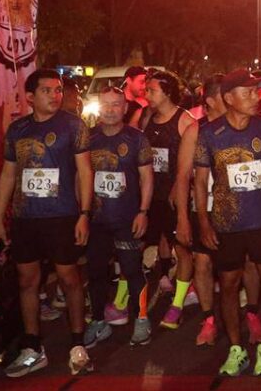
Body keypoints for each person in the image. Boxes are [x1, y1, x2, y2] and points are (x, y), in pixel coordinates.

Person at [194, 68, 261, 377]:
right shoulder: (209, 134)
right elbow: (201, 181)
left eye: (257, 91)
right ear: (228, 98)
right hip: (227, 223)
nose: (257, 97)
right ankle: (235, 347)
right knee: (228, 285)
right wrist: (203, 220)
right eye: (249, 93)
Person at [0, 69, 94, 377]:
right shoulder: (18, 129)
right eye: (47, 90)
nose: (55, 95)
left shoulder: (72, 126)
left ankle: (78, 345)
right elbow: (9, 174)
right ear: (29, 97)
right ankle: (33, 347)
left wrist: (84, 214)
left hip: (62, 215)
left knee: (69, 279)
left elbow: (86, 172)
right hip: (26, 218)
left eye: (58, 90)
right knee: (27, 282)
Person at [83, 87, 154, 347]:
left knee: (132, 270)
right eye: (106, 104)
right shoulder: (88, 138)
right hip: (97, 219)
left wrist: (143, 211)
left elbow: (147, 176)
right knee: (97, 271)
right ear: (99, 107)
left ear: (125, 108)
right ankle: (99, 321)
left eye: (116, 105)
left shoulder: (137, 139)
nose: (110, 110)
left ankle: (142, 318)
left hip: (127, 217)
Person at [140, 70, 199, 331]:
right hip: (152, 194)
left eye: (151, 90)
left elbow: (193, 166)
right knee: (154, 242)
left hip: (175, 197)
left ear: (166, 92)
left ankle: (178, 303)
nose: (147, 95)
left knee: (183, 248)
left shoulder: (184, 121)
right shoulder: (147, 117)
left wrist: (180, 188)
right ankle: (161, 280)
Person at [174, 73, 226, 346]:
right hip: (203, 207)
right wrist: (183, 217)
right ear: (212, 101)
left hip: (240, 210)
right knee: (203, 263)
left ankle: (252, 313)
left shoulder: (247, 126)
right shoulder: (196, 130)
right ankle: (209, 319)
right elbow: (183, 176)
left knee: (248, 265)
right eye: (226, 95)